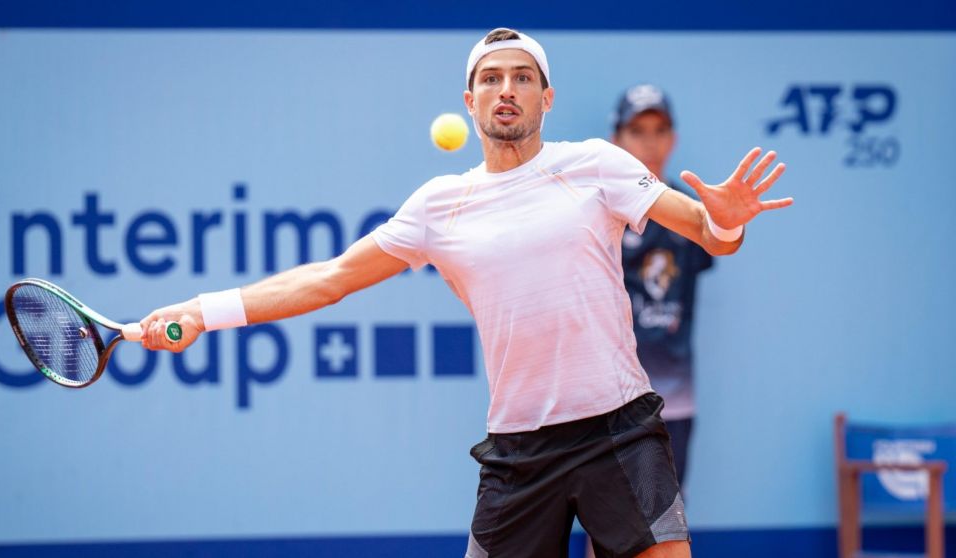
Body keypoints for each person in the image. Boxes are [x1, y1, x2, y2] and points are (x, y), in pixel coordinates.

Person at [138, 28, 791, 558]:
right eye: (491, 78)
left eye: (522, 77)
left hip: (618, 429)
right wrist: (202, 312)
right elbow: (329, 279)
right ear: (470, 99)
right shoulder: (438, 206)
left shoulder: (596, 164)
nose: (506, 89)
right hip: (519, 451)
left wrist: (728, 218)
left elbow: (708, 234)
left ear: (547, 98)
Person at [613, 84, 712, 488]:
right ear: (615, 140)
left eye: (659, 131)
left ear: (673, 139)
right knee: (609, 531)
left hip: (674, 396)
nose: (650, 143)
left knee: (668, 528)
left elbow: (720, 244)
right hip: (611, 401)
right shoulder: (600, 212)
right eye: (637, 131)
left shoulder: (690, 211)